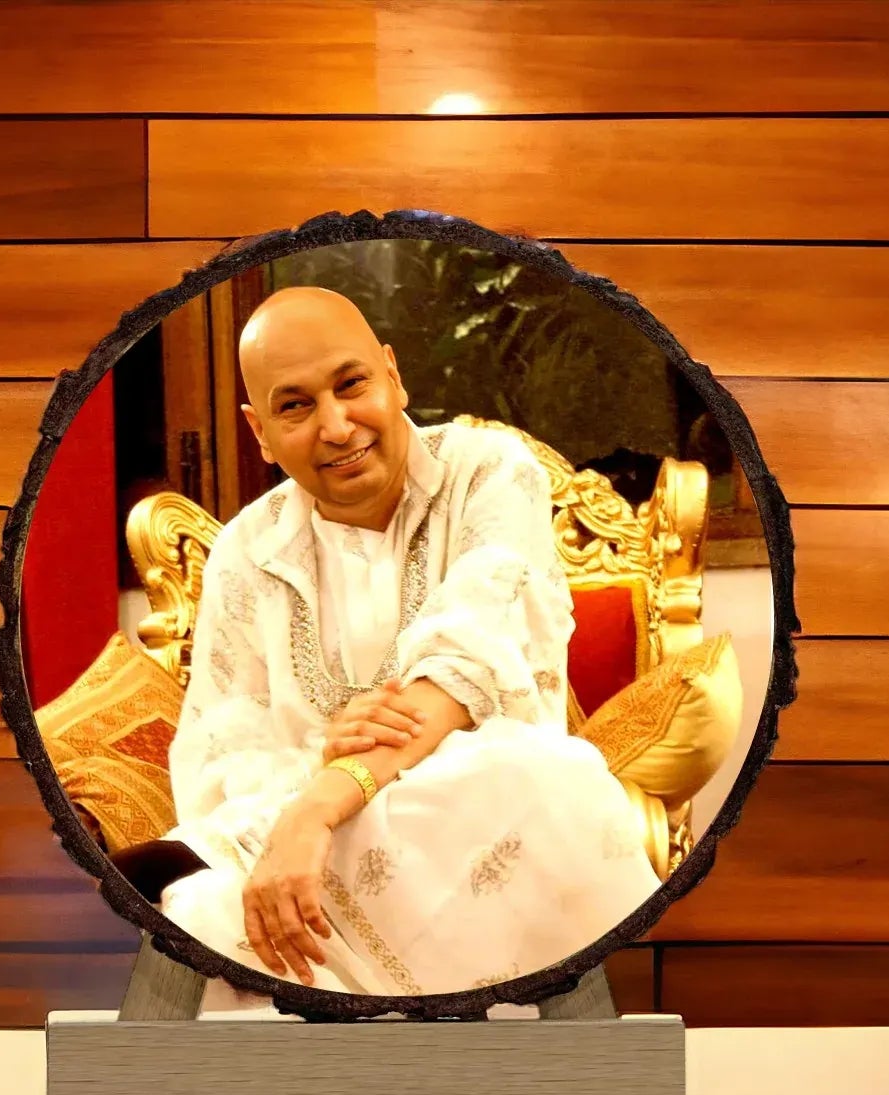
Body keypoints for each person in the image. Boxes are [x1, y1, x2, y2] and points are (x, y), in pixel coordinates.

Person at [158, 285, 660, 998]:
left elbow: (467, 659)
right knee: (201, 910)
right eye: (295, 406)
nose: (336, 427)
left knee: (541, 774)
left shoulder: (489, 471)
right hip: (311, 848)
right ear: (260, 431)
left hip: (470, 822)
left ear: (393, 377)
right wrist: (319, 765)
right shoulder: (246, 550)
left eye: (351, 385)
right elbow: (221, 751)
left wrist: (324, 800)